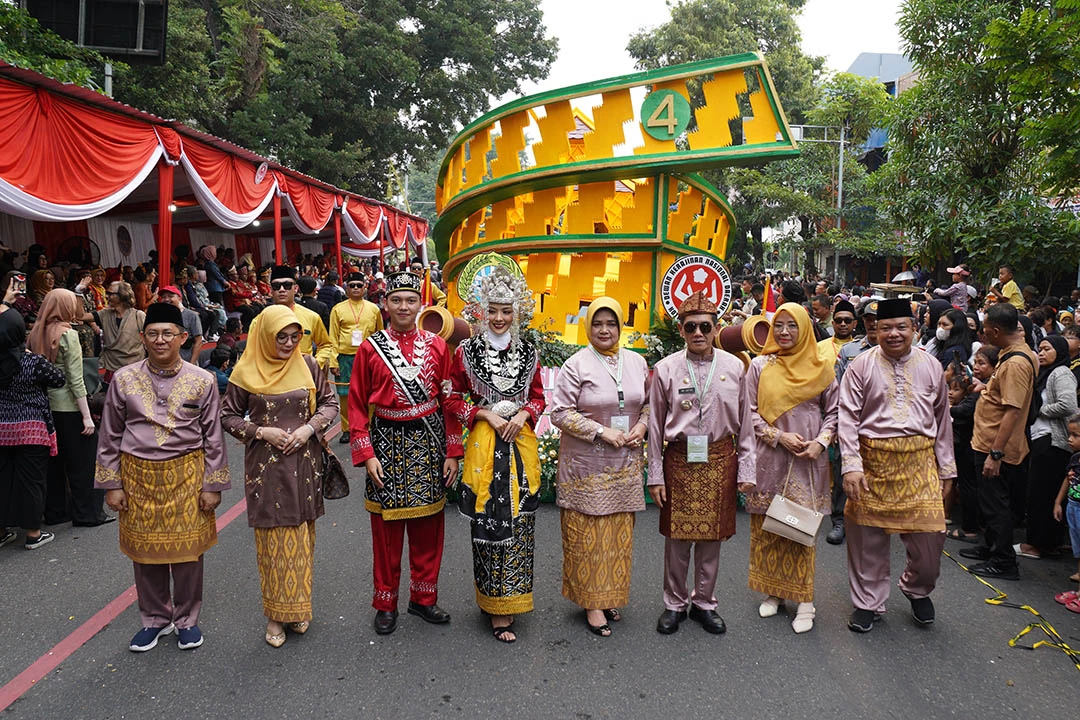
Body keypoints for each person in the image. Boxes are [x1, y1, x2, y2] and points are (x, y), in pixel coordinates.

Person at [95, 303, 230, 652]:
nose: (160, 340)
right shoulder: (124, 379)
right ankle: (154, 619)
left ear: (183, 337)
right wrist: (112, 485)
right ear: (142, 337)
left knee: (188, 554)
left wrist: (212, 485)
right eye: (153, 333)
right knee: (144, 554)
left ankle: (186, 620)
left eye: (168, 333)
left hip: (187, 473)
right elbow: (110, 434)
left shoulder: (203, 380)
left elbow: (213, 436)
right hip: (137, 476)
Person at [349, 271, 463, 635]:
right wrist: (367, 455)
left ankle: (423, 599)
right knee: (386, 532)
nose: (403, 306)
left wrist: (452, 450)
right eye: (396, 299)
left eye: (410, 300)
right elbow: (354, 405)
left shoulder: (437, 346)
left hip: (429, 442)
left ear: (420, 304)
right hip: (385, 444)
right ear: (385, 304)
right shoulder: (370, 347)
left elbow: (449, 400)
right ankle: (386, 602)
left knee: (429, 528)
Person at [222, 305, 339, 647]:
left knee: (302, 538)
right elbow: (228, 416)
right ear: (264, 336)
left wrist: (308, 429)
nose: (289, 344)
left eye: (295, 336)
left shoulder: (309, 364)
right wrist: (261, 433)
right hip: (266, 467)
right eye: (281, 337)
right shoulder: (246, 371)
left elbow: (330, 404)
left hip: (304, 463)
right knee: (273, 541)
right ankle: (275, 615)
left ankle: (299, 608)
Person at [838, 298, 956, 633]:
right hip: (872, 462)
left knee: (931, 540)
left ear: (914, 329)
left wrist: (947, 469)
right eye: (885, 327)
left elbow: (942, 420)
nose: (893, 334)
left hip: (919, 463)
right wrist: (851, 465)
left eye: (901, 327)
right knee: (867, 540)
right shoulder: (860, 366)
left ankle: (917, 588)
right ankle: (867, 602)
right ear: (875, 330)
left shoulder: (932, 366)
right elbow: (846, 417)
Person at [646, 291, 756, 635]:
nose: (697, 333)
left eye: (704, 327)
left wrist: (747, 470)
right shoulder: (665, 369)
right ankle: (675, 604)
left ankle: (705, 603)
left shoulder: (735, 367)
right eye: (690, 326)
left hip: (720, 459)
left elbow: (747, 423)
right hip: (678, 460)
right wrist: (655, 475)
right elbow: (653, 426)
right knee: (677, 541)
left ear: (715, 328)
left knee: (712, 540)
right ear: (681, 329)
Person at [449, 267, 546, 643]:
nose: (501, 318)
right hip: (485, 447)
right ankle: (493, 607)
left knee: (520, 522)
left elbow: (538, 396)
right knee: (487, 523)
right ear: (482, 311)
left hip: (520, 447)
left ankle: (515, 601)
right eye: (494, 311)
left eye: (507, 311)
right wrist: (484, 413)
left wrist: (523, 414)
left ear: (517, 311)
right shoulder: (467, 352)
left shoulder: (528, 353)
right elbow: (452, 396)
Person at [549, 297, 648, 638]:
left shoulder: (636, 362)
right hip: (586, 467)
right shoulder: (576, 365)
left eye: (611, 323)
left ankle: (609, 595)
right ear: (588, 327)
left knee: (617, 536)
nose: (604, 330)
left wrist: (642, 427)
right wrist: (600, 431)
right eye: (597, 324)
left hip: (625, 464)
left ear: (621, 326)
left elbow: (647, 405)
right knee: (588, 536)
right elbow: (559, 413)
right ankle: (591, 602)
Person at [741, 303, 838, 634]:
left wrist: (820, 442)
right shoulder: (759, 366)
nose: (783, 332)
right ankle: (774, 593)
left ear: (805, 329)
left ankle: (806, 600)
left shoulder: (823, 366)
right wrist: (778, 436)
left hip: (807, 462)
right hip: (770, 458)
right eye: (778, 326)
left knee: (800, 530)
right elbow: (749, 414)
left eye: (791, 326)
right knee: (769, 528)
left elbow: (835, 413)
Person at [960, 303, 1036, 580]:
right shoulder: (1012, 351)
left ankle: (1004, 561)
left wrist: (996, 453)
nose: (982, 334)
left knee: (996, 505)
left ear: (994, 331)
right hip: (986, 440)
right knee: (988, 500)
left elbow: (1013, 410)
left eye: (985, 330)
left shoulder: (1016, 363)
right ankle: (990, 547)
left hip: (997, 445)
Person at [27, 289, 110, 527]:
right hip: (69, 407)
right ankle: (87, 514)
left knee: (54, 463)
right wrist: (87, 417)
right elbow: (75, 380)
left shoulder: (35, 332)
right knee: (83, 462)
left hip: (43, 407)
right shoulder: (68, 335)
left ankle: (55, 512)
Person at [0, 287, 65, 549]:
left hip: (1, 428)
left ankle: (3, 530)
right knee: (32, 480)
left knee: (2, 480)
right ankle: (33, 534)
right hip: (32, 429)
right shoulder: (32, 362)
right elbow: (59, 379)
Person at [1016, 335, 1076, 559]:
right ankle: (1046, 543)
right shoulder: (1046, 373)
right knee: (1042, 494)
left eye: (1046, 349)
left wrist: (1038, 411)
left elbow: (1068, 405)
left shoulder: (1061, 373)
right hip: (1042, 439)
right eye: (1039, 349)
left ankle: (1037, 545)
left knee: (1041, 495)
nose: (1041, 353)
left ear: (1059, 351)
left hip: (1053, 442)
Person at [828, 299, 880, 544]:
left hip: (879, 426)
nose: (873, 325)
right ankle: (839, 520)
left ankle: (870, 521)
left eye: (877, 321)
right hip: (851, 423)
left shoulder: (898, 353)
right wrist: (836, 425)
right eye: (869, 320)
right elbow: (837, 390)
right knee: (842, 472)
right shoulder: (849, 352)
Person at [327, 272, 383, 444]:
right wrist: (333, 361)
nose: (356, 288)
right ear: (347, 288)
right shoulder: (338, 309)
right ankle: (347, 428)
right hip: (345, 357)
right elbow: (333, 337)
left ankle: (370, 425)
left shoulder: (373, 309)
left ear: (365, 287)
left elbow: (379, 334)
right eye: (352, 286)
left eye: (359, 285)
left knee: (371, 392)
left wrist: (381, 359)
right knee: (345, 395)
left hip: (368, 357)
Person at [246, 266, 333, 369]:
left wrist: (315, 364)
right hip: (272, 376)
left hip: (303, 375)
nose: (282, 290)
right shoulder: (260, 320)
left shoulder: (311, 317)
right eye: (276, 286)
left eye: (287, 285)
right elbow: (251, 351)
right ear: (271, 290)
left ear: (295, 288)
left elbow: (325, 345)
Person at [1052, 415, 1080, 596]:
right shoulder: (1075, 459)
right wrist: (1058, 502)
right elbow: (1067, 479)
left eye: (1076, 435)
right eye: (1070, 434)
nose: (1069, 439)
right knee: (1077, 548)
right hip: (1072, 507)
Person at [98, 281, 146, 380]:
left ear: (122, 295)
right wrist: (79, 291)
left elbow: (149, 340)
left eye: (111, 294)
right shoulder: (105, 314)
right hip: (112, 369)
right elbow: (80, 316)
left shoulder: (138, 316)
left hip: (135, 370)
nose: (107, 297)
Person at [157, 285, 203, 364]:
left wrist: (192, 364)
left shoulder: (191, 316)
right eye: (163, 297)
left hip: (186, 361)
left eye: (171, 296)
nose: (167, 299)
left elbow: (198, 341)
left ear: (179, 298)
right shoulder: (159, 316)